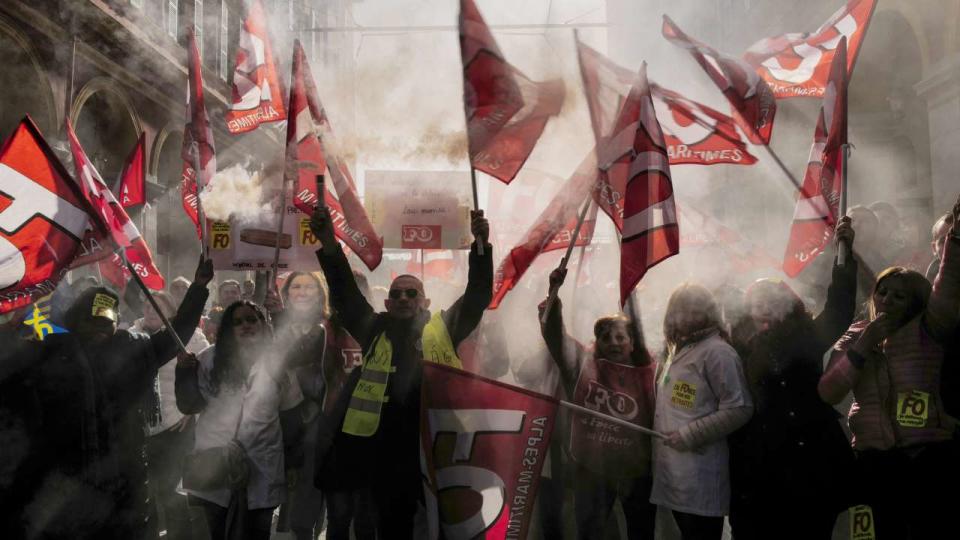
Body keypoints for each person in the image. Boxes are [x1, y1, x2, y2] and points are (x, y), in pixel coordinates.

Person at [311, 206, 492, 539]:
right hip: (386, 452)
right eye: (397, 294)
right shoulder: (374, 328)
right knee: (394, 527)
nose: (404, 298)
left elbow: (478, 296)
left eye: (412, 293)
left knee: (447, 528)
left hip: (435, 445)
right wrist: (329, 245)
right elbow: (346, 295)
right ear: (387, 304)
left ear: (425, 302)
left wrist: (481, 248)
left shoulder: (443, 328)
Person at [0, 256, 213, 539]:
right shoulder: (47, 352)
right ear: (76, 320)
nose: (100, 328)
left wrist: (198, 287)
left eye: (107, 322)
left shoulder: (133, 350)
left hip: (124, 478)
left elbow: (177, 334)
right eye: (92, 321)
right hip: (66, 482)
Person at [818, 194, 960, 539]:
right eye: (883, 294)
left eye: (900, 296)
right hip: (874, 462)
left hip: (926, 459)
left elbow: (948, 285)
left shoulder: (929, 327)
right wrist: (863, 347)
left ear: (916, 302)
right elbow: (829, 390)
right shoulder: (856, 335)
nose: (888, 301)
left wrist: (956, 238)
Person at [728, 217, 859, 539]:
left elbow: (839, 309)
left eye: (770, 301)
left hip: (811, 458)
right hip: (759, 463)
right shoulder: (734, 346)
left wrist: (844, 257)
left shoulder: (807, 337)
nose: (763, 308)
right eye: (755, 302)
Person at [538, 268, 657, 539]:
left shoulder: (650, 370)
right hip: (592, 468)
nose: (614, 343)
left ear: (631, 342)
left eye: (620, 337)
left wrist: (631, 295)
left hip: (637, 469)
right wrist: (553, 295)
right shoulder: (582, 365)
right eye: (606, 337)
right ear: (597, 341)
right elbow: (555, 337)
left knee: (641, 532)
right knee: (591, 531)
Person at [176, 300, 305, 540]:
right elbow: (190, 405)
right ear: (228, 329)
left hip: (262, 464)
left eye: (251, 319)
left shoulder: (278, 364)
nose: (245, 325)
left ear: (261, 323)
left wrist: (294, 463)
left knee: (257, 533)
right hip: (213, 463)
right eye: (237, 322)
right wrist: (183, 373)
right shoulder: (208, 359)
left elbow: (291, 416)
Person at [651, 284, 753, 540]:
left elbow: (740, 408)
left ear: (710, 313)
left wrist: (689, 435)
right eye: (683, 310)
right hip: (673, 475)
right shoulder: (677, 350)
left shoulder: (718, 352)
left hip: (701, 474)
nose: (689, 317)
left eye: (697, 310)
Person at [130, 292, 210, 540]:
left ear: (173, 312)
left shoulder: (191, 339)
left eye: (157, 307)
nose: (151, 311)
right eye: (147, 306)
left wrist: (192, 409)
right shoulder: (130, 337)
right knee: (146, 493)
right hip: (143, 430)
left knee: (173, 493)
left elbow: (207, 377)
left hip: (177, 425)